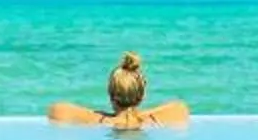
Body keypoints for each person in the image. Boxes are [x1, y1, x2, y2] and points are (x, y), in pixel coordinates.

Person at [46, 49, 190, 128]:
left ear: (110, 93)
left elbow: (56, 109)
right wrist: (137, 114)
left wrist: (102, 115)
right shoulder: (151, 121)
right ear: (143, 94)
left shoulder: (101, 122)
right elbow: (180, 107)